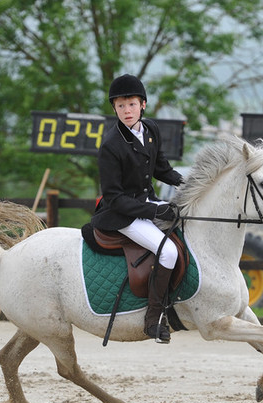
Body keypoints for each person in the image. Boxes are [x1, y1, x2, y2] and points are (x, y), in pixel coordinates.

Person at [91, 74, 184, 343]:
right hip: (122, 214)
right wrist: (154, 211)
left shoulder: (151, 129)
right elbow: (114, 197)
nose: (126, 111)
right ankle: (153, 320)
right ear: (115, 109)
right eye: (120, 106)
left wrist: (188, 183)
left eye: (131, 104)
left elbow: (161, 169)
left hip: (146, 202)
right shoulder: (111, 145)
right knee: (167, 252)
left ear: (143, 104)